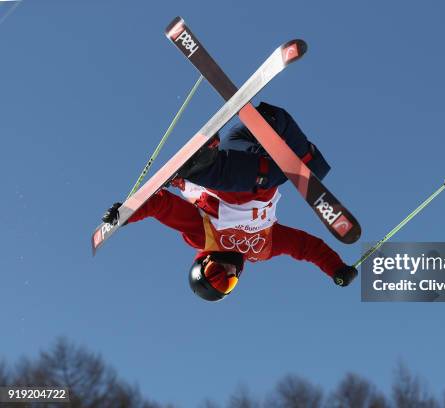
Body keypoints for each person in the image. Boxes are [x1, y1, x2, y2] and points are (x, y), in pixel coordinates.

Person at [103, 102, 357, 301]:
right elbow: (306, 247)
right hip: (257, 159)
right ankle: (272, 120)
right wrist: (335, 268)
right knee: (312, 170)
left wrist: (127, 213)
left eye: (216, 274)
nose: (228, 272)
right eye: (229, 282)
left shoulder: (205, 237)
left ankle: (201, 166)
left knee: (261, 180)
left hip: (229, 174)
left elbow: (162, 206)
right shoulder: (263, 248)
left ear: (203, 262)